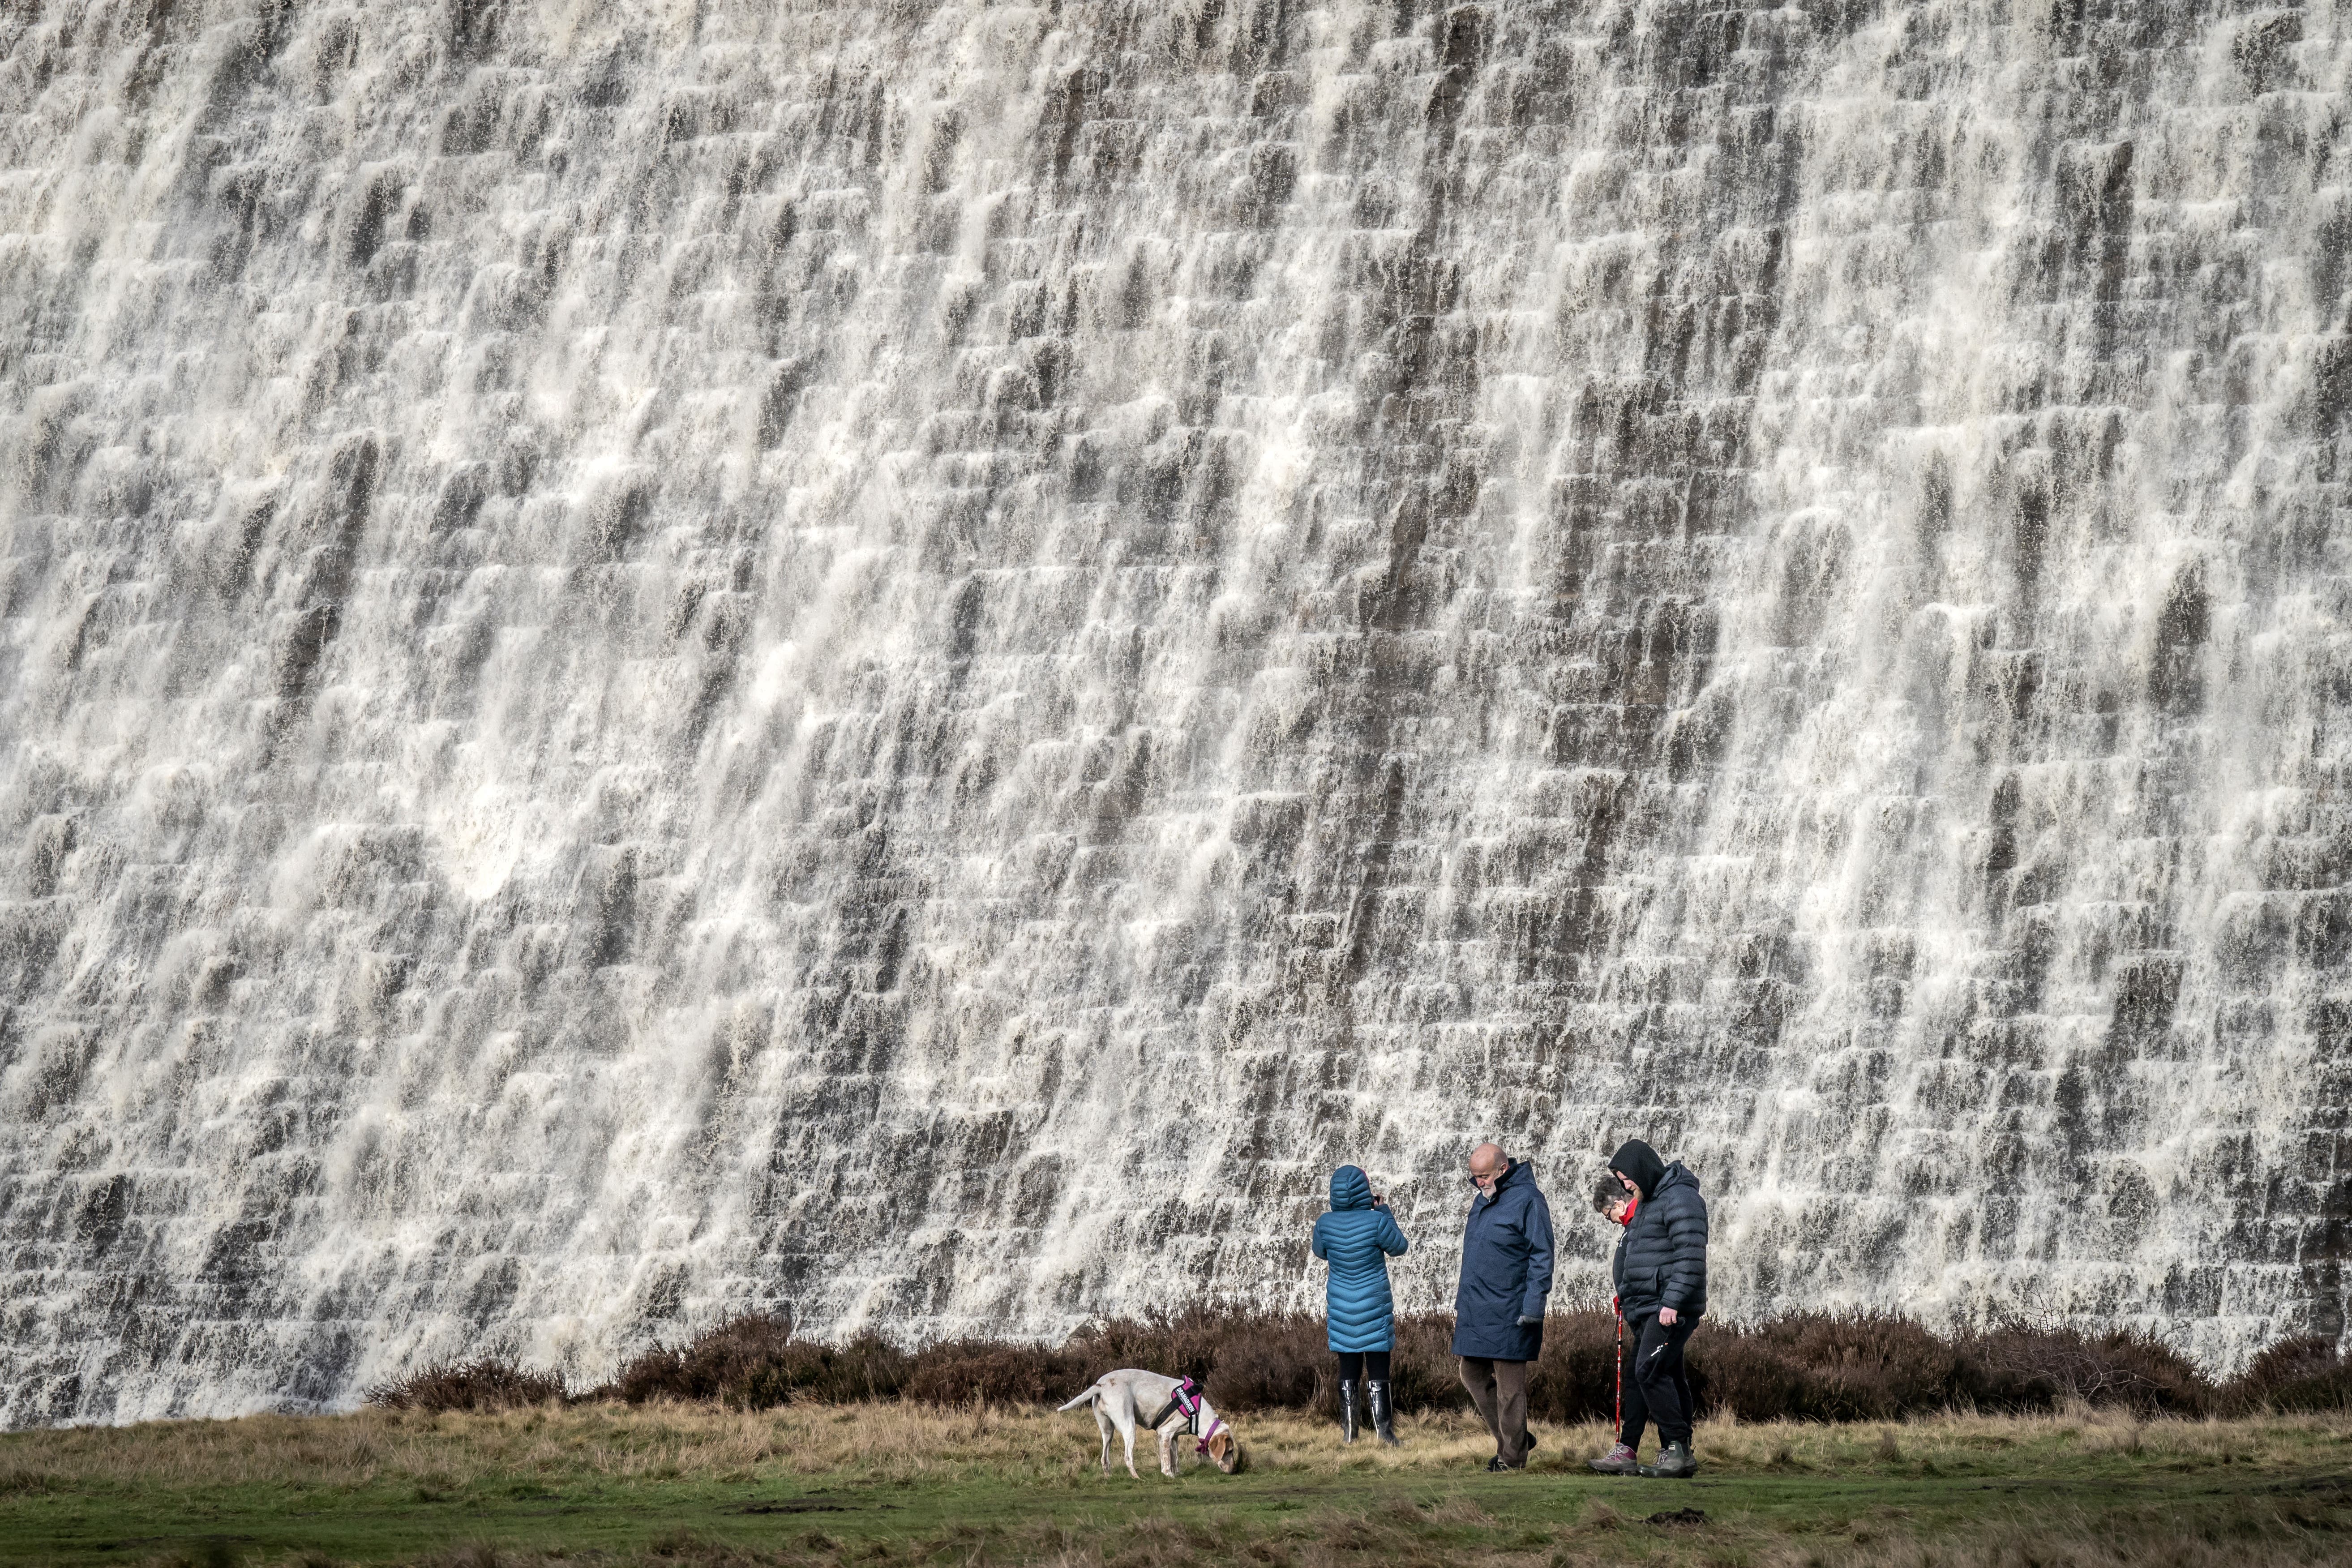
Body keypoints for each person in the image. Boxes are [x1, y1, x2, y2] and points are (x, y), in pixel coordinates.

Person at [1602, 1138, 1708, 1478]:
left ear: (1642, 1169)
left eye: (1626, 1177)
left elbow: (1690, 1255)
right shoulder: (1648, 1202)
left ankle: (1678, 1450)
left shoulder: (1681, 1198)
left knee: (1649, 1371)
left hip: (1668, 1308)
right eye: (1620, 1180)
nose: (1625, 1185)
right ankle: (1636, 1451)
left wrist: (1672, 1303)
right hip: (1648, 1307)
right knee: (1655, 1375)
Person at [1451, 1141, 1555, 1471]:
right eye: (1475, 1177)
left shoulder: (1529, 1200)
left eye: (1483, 1176)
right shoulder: (1481, 1202)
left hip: (1513, 1309)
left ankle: (1512, 1459)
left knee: (1510, 1390)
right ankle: (1517, 1439)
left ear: (1503, 1169)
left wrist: (1534, 1305)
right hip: (1478, 1308)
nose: (1479, 1182)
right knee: (1470, 1371)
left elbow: (1542, 1255)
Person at [1311, 1165, 1409, 1444]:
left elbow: (1321, 1252)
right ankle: (1386, 1435)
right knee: (1379, 1368)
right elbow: (1399, 1247)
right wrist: (1384, 1211)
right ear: (1365, 1192)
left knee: (1348, 1369)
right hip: (1373, 1308)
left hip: (1342, 1309)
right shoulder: (1376, 1221)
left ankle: (1350, 1435)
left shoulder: (1324, 1223)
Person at [1586, 1174, 1646, 1474]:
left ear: (1619, 1203)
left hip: (1650, 1315)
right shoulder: (1630, 1226)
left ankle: (1633, 1448)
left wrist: (1630, 1294)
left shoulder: (1640, 1224)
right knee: (1651, 1379)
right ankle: (1674, 1445)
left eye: (1608, 1213)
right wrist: (1623, 1296)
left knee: (1643, 1379)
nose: (1609, 1219)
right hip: (1638, 1312)